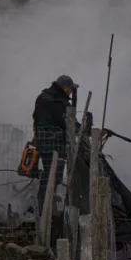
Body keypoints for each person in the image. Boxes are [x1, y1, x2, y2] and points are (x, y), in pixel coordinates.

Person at [33, 75, 78, 214]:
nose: (71, 92)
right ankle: (44, 208)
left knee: (48, 173)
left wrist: (37, 136)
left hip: (43, 141)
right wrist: (86, 130)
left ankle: (44, 204)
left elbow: (35, 118)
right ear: (65, 88)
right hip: (56, 143)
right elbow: (68, 124)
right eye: (71, 89)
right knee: (54, 176)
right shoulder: (60, 102)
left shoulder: (42, 97)